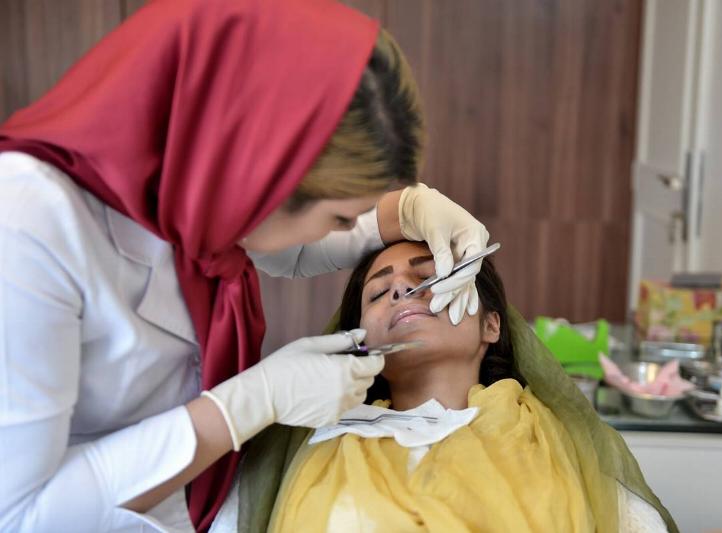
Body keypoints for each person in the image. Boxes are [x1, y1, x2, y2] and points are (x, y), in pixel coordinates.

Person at [0, 1, 490, 532]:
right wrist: (243, 407)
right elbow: (20, 513)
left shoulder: (198, 186)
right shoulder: (27, 224)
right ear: (258, 179)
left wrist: (409, 210)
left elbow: (287, 245)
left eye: (424, 279)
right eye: (340, 217)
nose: (399, 292)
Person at [222, 241, 678, 532]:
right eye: (378, 294)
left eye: (429, 279)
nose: (400, 288)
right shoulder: (317, 450)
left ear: (492, 326)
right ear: (359, 339)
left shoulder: (552, 448)